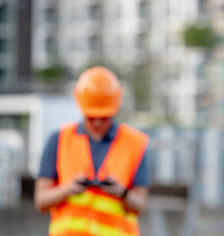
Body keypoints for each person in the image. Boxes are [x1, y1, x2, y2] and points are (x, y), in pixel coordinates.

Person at [34, 66, 150, 236]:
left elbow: (140, 205)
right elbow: (41, 201)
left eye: (103, 117)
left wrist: (122, 193)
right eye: (91, 117)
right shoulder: (58, 140)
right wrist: (67, 189)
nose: (97, 123)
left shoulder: (135, 143)